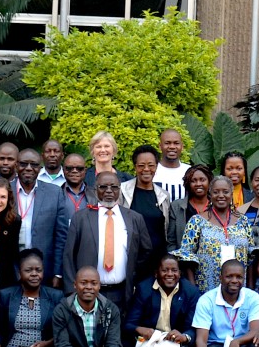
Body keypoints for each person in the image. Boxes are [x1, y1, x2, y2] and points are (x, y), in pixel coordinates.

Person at [66, 170, 149, 306]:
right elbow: (69, 255)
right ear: (95, 190)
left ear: (119, 189)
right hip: (88, 294)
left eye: (114, 187)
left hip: (122, 292)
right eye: (103, 187)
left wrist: (133, 278)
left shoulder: (134, 218)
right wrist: (71, 292)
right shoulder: (81, 218)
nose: (109, 191)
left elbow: (145, 252)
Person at [0, 251, 64, 347]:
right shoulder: (6, 295)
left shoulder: (55, 296)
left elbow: (63, 331)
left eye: (38, 270)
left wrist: (47, 344)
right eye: (28, 270)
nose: (34, 274)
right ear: (19, 272)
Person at [178, 172, 252, 294]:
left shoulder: (243, 221)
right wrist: (193, 291)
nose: (221, 195)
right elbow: (186, 257)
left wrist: (249, 289)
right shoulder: (197, 221)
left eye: (225, 192)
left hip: (238, 290)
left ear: (231, 193)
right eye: (216, 192)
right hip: (205, 290)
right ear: (210, 194)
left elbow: (250, 257)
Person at [119, 145, 172, 278]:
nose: (146, 169)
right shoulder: (122, 191)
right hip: (130, 258)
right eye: (141, 165)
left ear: (156, 167)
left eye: (151, 165)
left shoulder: (163, 195)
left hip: (157, 260)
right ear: (135, 166)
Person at [153, 129, 192, 198]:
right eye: (167, 143)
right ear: (160, 146)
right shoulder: (152, 170)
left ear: (182, 146)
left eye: (176, 143)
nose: (172, 147)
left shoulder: (189, 171)